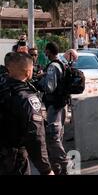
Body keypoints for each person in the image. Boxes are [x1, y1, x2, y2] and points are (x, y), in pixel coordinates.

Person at [0, 52, 54, 175]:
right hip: (13, 160)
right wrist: (46, 169)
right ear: (28, 72)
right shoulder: (27, 98)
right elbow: (35, 136)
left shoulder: (2, 87)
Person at [37, 42, 69, 175]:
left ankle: (64, 164)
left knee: (52, 137)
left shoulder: (52, 67)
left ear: (49, 51)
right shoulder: (62, 63)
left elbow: (49, 87)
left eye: (46, 51)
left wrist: (40, 80)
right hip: (62, 105)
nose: (45, 53)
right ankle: (58, 168)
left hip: (55, 107)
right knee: (58, 137)